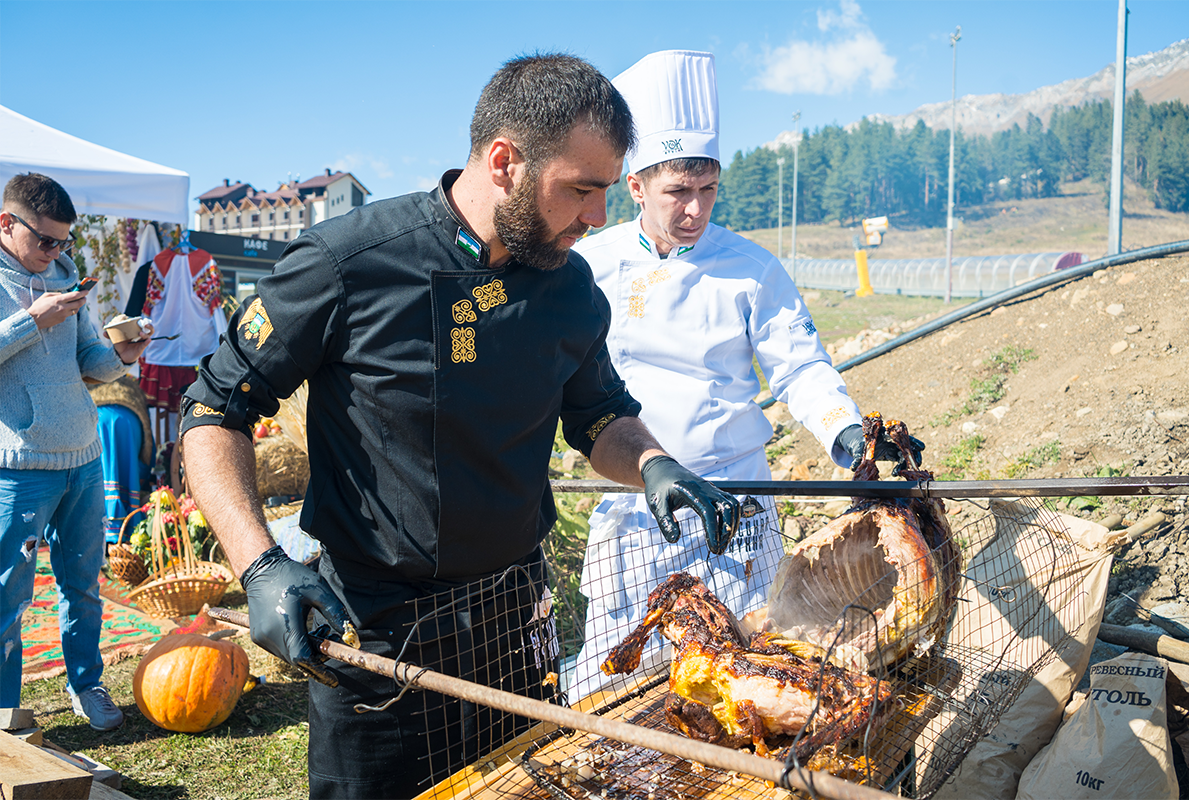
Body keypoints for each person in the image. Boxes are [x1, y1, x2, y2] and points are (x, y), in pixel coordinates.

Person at [179, 53, 740, 800]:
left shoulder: (569, 286)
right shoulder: (348, 263)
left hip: (517, 622)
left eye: (605, 192)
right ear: (504, 161)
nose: (598, 218)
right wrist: (258, 564)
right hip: (380, 636)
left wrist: (655, 465)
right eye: (581, 190)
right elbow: (215, 410)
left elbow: (599, 414)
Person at [567, 51, 922, 703]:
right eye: (678, 191)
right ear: (637, 186)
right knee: (612, 681)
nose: (695, 210)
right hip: (636, 498)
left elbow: (800, 365)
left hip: (735, 501)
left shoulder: (752, 268)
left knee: (740, 675)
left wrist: (849, 436)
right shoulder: (588, 265)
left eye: (708, 190)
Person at [0, 173, 153, 729]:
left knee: (84, 586)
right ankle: (5, 710)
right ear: (5, 224)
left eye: (64, 241)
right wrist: (32, 320)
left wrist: (125, 355)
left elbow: (89, 360)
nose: (57, 252)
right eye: (45, 241)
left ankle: (86, 686)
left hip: (83, 455)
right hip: (19, 466)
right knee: (8, 595)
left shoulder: (64, 276)